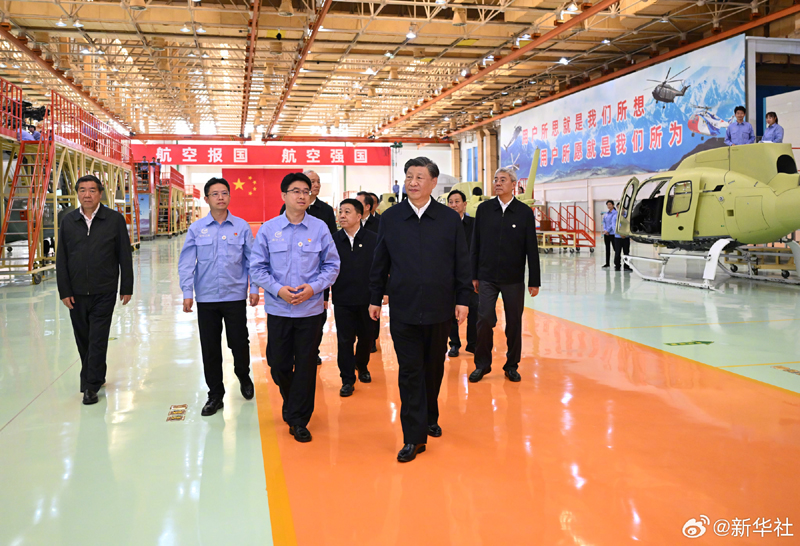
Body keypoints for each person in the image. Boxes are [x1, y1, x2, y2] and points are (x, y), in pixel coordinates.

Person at [369, 157, 471, 463]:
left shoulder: (448, 219)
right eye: (409, 176)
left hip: (440, 308)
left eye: (419, 177)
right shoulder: (391, 218)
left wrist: (463, 299)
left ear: (433, 183)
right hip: (404, 307)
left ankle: (429, 415)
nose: (413, 182)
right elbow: (380, 261)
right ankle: (413, 437)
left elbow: (461, 262)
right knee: (410, 371)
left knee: (433, 367)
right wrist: (375, 296)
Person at [250, 172, 340, 443]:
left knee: (305, 365)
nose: (302, 196)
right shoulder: (269, 229)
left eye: (306, 191)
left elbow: (332, 265)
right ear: (284, 195)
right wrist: (278, 290)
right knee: (278, 364)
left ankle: (299, 419)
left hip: (310, 310)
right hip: (279, 309)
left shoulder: (319, 228)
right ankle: (292, 403)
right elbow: (257, 267)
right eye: (296, 191)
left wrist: (314, 288)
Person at [178, 177, 260, 417]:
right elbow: (186, 262)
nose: (220, 197)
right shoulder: (197, 229)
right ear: (206, 199)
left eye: (224, 193)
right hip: (207, 297)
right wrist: (187, 292)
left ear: (229, 197)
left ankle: (243, 375)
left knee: (239, 342)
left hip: (234, 295)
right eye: (215, 194)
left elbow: (252, 260)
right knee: (210, 347)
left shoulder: (241, 226)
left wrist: (254, 288)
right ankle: (215, 395)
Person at [56, 174, 133, 405]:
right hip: (76, 292)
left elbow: (124, 254)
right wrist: (64, 290)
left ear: (100, 193)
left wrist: (126, 286)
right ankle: (96, 375)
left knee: (98, 338)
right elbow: (62, 258)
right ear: (77, 194)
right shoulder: (68, 221)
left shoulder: (114, 220)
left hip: (104, 290)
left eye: (92, 190)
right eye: (82, 190)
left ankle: (90, 386)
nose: (87, 195)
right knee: (83, 339)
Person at [469, 167, 541, 384]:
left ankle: (511, 366)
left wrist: (534, 280)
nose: (498, 183)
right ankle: (482, 364)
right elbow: (475, 244)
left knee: (514, 323)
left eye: (502, 180)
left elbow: (531, 248)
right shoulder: (484, 210)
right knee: (484, 319)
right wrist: (474, 275)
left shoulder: (523, 212)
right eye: (495, 179)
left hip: (513, 278)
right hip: (487, 276)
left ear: (513, 184)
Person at [279, 170, 336, 365]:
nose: (315, 185)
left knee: (315, 326)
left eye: (317, 182)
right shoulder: (280, 216)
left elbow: (330, 254)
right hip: (285, 292)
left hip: (315, 286)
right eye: (312, 182)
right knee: (279, 359)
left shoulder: (324, 213)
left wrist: (320, 290)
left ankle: (312, 351)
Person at [331, 198, 377, 397]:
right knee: (345, 340)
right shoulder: (333, 240)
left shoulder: (374, 239)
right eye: (340, 212)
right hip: (342, 299)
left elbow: (381, 269)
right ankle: (347, 379)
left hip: (367, 299)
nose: (342, 215)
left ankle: (362, 365)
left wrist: (382, 293)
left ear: (359, 216)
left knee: (367, 337)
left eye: (347, 212)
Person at [446, 189, 478, 357]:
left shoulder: (474, 224)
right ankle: (454, 344)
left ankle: (473, 344)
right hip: (449, 275)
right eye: (450, 202)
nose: (453, 205)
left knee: (474, 309)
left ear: (465, 204)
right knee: (450, 311)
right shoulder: (443, 225)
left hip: (471, 275)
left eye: (457, 201)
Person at [601, 200, 617, 269]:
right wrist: (605, 230)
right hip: (606, 234)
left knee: (615, 249)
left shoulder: (615, 213)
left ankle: (617, 263)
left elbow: (613, 223)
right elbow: (604, 222)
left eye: (610, 204)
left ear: (613, 205)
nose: (609, 206)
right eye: (608, 205)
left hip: (612, 233)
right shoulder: (606, 214)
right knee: (607, 249)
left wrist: (608, 230)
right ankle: (607, 263)